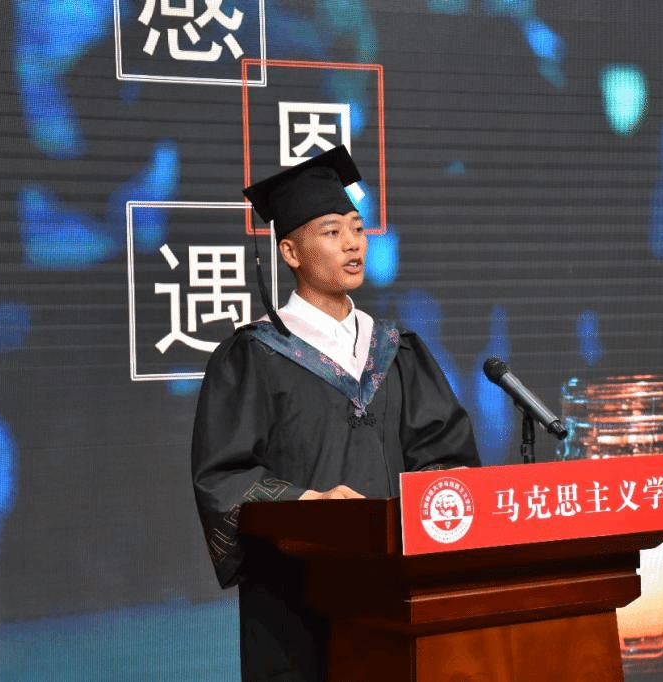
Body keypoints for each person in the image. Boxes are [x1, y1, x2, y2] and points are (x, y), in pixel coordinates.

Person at [191, 146, 481, 682]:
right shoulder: (253, 355)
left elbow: (444, 452)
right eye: (331, 231)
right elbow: (223, 476)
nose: (353, 243)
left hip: (395, 593)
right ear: (290, 252)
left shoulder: (395, 349)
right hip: (294, 599)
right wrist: (307, 503)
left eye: (357, 228)